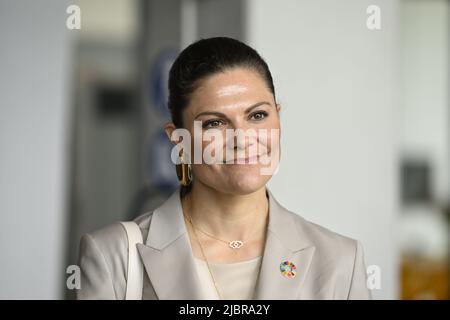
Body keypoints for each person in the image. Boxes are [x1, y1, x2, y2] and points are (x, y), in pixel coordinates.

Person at [77, 37, 372, 300]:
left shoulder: (339, 261)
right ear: (178, 139)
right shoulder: (113, 255)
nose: (242, 139)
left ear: (278, 118)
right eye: (214, 123)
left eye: (257, 115)